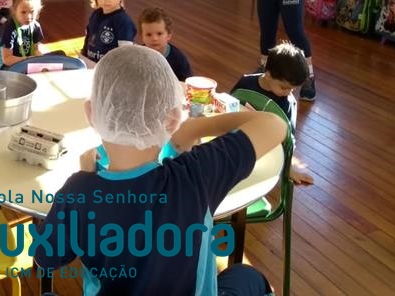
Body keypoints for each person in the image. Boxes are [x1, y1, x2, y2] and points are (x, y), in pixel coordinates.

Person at [34, 46, 285, 295]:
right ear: (173, 120)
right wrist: (196, 127)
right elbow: (274, 125)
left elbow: (45, 257)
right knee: (248, 277)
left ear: (91, 113)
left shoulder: (78, 192)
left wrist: (86, 179)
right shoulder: (195, 174)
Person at [231, 41, 314, 185]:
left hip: (266, 153)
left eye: (292, 89)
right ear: (268, 75)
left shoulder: (287, 103)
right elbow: (230, 106)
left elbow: (288, 140)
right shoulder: (245, 82)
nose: (288, 93)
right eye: (284, 87)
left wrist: (289, 169)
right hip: (237, 140)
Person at [81, 0, 136, 64]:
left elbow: (126, 54)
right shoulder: (95, 15)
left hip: (111, 69)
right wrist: (83, 56)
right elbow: (88, 38)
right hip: (91, 65)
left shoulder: (123, 22)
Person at [0, 0, 44, 70]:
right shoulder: (8, 29)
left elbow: (35, 49)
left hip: (25, 61)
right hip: (6, 66)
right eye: (23, 12)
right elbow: (7, 59)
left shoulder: (35, 26)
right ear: (14, 10)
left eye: (32, 11)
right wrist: (28, 59)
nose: (28, 17)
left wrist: (40, 57)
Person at [139, 6, 194, 81]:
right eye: (148, 34)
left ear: (168, 35)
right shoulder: (137, 56)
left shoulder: (178, 58)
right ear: (142, 36)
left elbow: (186, 81)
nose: (154, 38)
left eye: (159, 34)